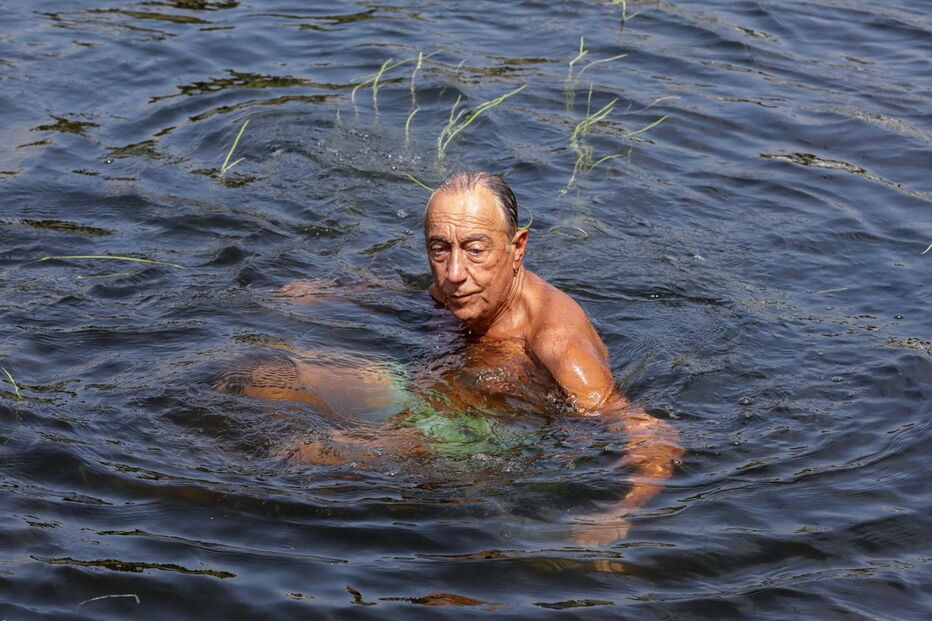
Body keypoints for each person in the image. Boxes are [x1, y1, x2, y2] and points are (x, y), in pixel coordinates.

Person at [219, 171, 683, 546]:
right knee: (259, 372)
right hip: (430, 389)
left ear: (516, 247)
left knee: (313, 457)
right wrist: (341, 295)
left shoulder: (556, 341)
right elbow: (419, 295)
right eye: (439, 249)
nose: (455, 274)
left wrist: (619, 513)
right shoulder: (458, 280)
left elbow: (649, 432)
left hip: (486, 435)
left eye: (475, 250)